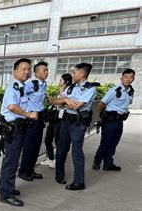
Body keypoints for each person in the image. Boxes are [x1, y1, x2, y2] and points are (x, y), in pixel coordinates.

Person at [0, 58, 38, 207]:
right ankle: (6, 194)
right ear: (15, 72)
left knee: (10, 160)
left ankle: (4, 188)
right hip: (13, 129)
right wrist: (29, 115)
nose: (26, 72)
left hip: (18, 128)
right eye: (23, 69)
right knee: (11, 161)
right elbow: (12, 106)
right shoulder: (13, 88)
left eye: (28, 69)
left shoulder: (21, 87)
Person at [51, 62, 98, 191]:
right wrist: (66, 100)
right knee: (61, 149)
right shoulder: (71, 87)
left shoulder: (90, 89)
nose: (73, 75)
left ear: (82, 74)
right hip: (66, 121)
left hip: (78, 123)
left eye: (74, 72)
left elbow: (77, 106)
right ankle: (59, 175)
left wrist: (64, 101)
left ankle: (79, 182)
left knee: (77, 152)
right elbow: (55, 101)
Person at [93, 68, 136, 171]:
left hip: (119, 121)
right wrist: (102, 117)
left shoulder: (130, 91)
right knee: (105, 143)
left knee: (113, 143)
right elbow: (101, 104)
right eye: (126, 77)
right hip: (109, 121)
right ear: (121, 78)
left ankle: (108, 164)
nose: (128, 79)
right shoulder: (114, 90)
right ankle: (97, 162)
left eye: (131, 77)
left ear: (133, 79)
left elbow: (127, 105)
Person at [18, 61, 48, 181]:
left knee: (36, 146)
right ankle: (23, 171)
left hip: (39, 117)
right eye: (44, 70)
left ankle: (30, 169)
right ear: (36, 73)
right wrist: (27, 111)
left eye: (47, 70)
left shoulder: (42, 84)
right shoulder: (31, 83)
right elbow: (20, 95)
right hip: (31, 119)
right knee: (29, 146)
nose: (47, 72)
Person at [40, 73, 72, 168]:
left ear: (66, 82)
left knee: (58, 141)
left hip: (61, 119)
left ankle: (57, 160)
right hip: (53, 119)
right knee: (47, 140)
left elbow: (63, 103)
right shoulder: (61, 91)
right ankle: (50, 158)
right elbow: (57, 103)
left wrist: (61, 94)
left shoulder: (69, 91)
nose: (59, 82)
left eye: (61, 80)